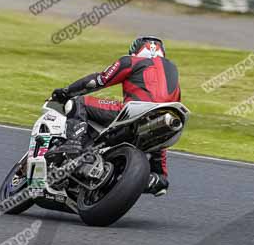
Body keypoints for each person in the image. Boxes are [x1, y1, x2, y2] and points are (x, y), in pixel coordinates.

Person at [49, 36, 180, 196]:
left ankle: (73, 145)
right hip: (164, 121)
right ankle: (156, 179)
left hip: (132, 112)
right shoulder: (173, 71)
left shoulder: (131, 61)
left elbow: (98, 81)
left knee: (77, 102)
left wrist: (66, 92)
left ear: (136, 50)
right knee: (161, 166)